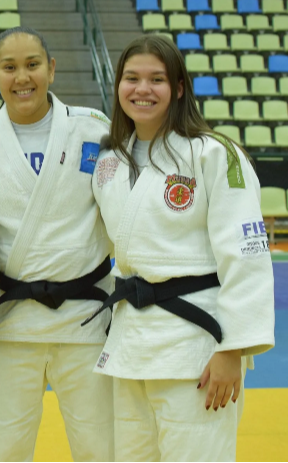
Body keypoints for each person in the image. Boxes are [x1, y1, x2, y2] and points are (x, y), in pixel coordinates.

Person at [87, 34, 275, 461]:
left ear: (179, 88)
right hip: (131, 343)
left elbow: (246, 254)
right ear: (117, 86)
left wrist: (232, 348)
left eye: (157, 79)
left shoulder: (213, 154)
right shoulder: (111, 161)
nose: (142, 89)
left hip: (197, 345)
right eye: (132, 78)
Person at [0, 26, 115, 462]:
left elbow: (122, 213)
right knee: (3, 448)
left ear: (51, 69)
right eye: (9, 67)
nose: (22, 77)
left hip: (87, 317)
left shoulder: (94, 130)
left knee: (102, 446)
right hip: (11, 320)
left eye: (32, 65)